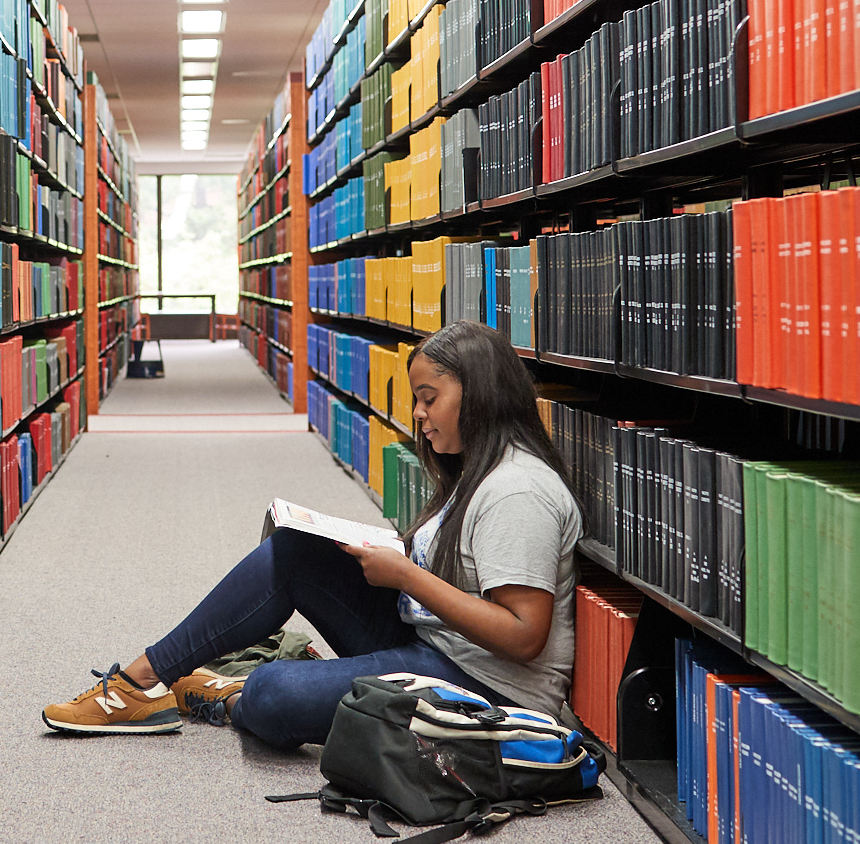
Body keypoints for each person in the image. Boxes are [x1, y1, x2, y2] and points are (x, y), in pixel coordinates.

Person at [41, 319, 580, 745]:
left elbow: (523, 636)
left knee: (273, 693)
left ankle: (225, 696)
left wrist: (406, 576)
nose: (417, 413)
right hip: (434, 642)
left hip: (485, 689)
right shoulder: (477, 471)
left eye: (429, 397)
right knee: (294, 551)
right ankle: (142, 681)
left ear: (480, 394)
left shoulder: (516, 491)